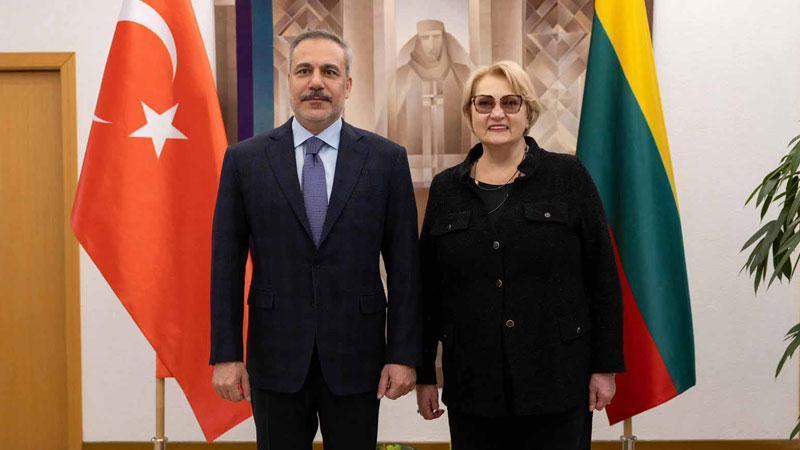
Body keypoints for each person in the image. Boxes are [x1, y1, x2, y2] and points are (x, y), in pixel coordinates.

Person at [209, 29, 421, 450]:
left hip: (357, 356)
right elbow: (225, 265)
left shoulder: (385, 160)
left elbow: (405, 267)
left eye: (330, 71)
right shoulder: (245, 161)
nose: (316, 82)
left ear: (348, 85)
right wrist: (227, 354)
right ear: (289, 81)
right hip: (275, 356)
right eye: (304, 71)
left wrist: (402, 354)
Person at [415, 60, 624, 450]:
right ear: (470, 113)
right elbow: (429, 291)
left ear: (529, 112)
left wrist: (604, 366)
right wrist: (425, 372)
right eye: (484, 103)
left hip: (558, 378)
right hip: (473, 384)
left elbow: (603, 278)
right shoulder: (446, 189)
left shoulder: (568, 176)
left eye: (510, 103)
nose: (497, 113)